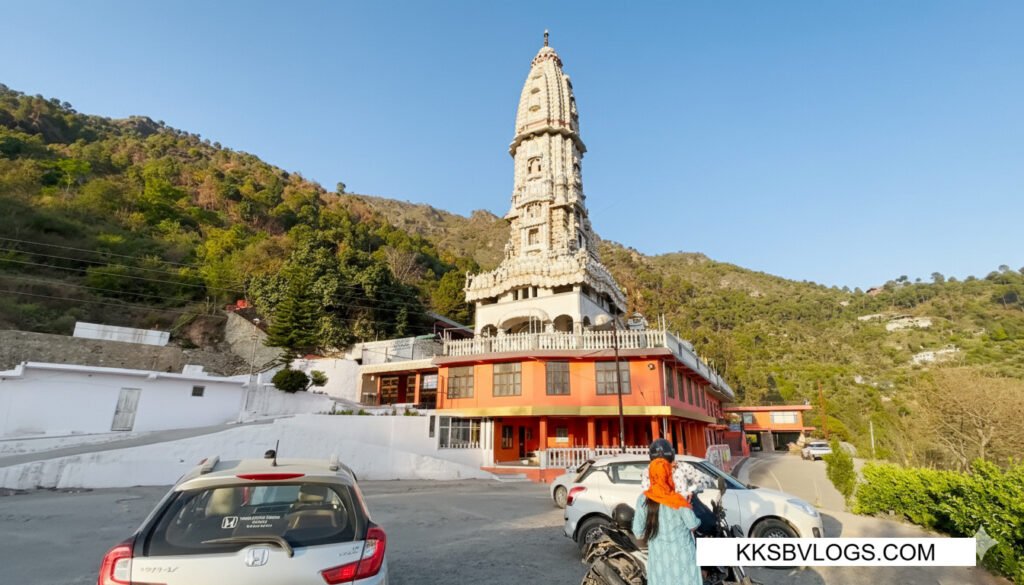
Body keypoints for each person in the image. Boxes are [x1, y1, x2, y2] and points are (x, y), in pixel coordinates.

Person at [631, 438, 702, 585]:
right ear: (668, 474)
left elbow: (638, 532)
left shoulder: (643, 499)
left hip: (659, 560)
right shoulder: (678, 500)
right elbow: (693, 525)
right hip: (683, 561)